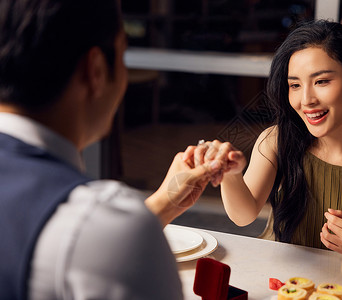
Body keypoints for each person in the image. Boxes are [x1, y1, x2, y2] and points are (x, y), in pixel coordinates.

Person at [0, 1, 223, 299]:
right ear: (96, 70)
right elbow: (92, 239)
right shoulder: (102, 228)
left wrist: (164, 203)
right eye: (123, 56)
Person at [185, 20, 342, 267]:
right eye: (295, 85)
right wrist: (231, 173)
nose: (306, 100)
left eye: (321, 81)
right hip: (278, 285)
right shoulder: (277, 140)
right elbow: (242, 216)